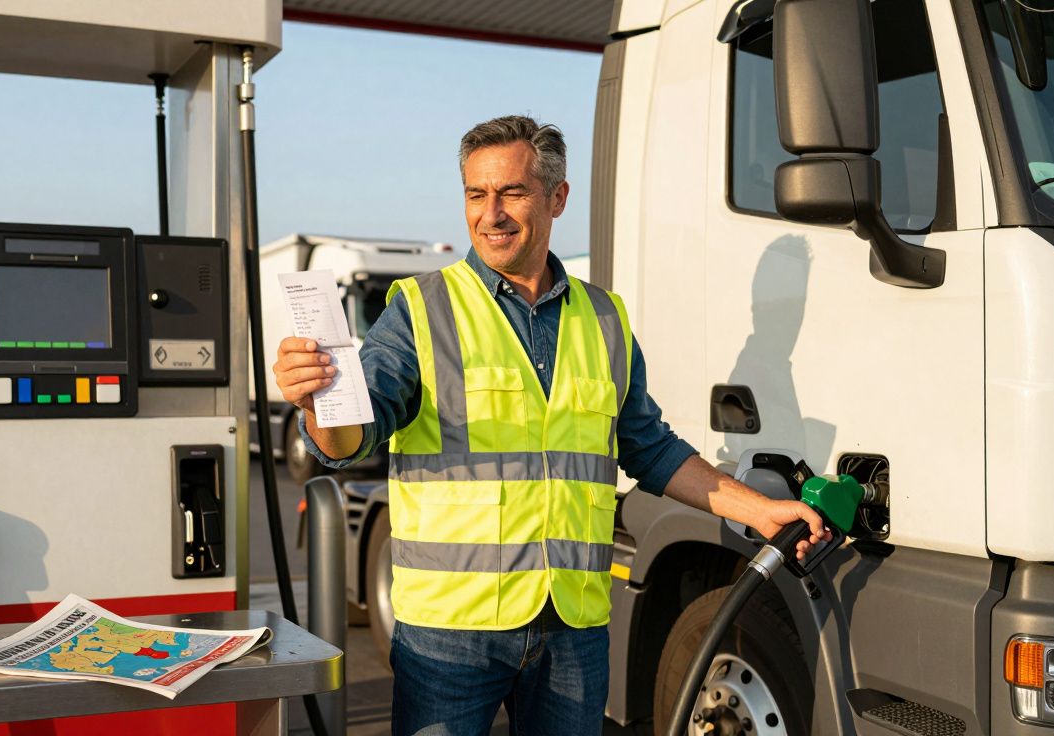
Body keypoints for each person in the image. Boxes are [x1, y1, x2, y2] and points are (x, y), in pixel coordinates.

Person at [271, 115, 829, 736]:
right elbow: (354, 436)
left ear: (557, 197)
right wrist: (319, 404)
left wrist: (758, 510)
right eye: (475, 195)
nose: (491, 214)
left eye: (511, 192)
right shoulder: (421, 308)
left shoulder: (605, 317)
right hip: (452, 637)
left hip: (572, 630)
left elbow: (650, 448)